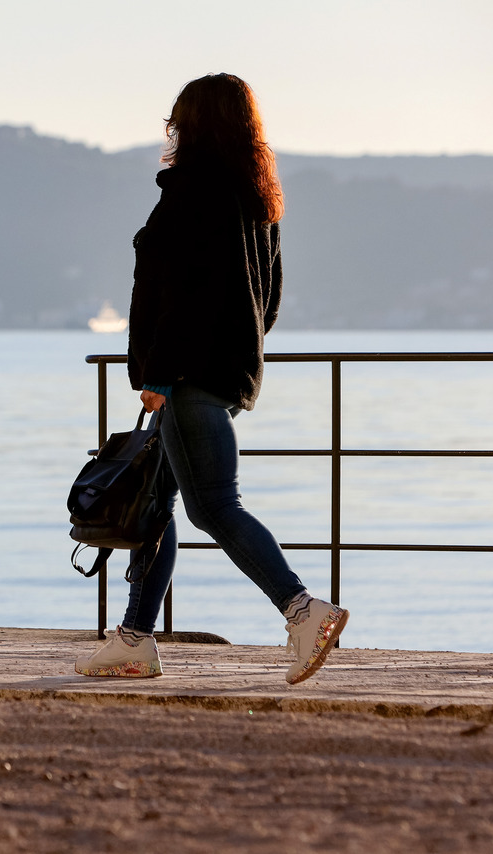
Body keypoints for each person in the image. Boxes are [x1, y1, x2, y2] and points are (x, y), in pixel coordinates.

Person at [75, 74, 349, 684]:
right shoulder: (257, 200)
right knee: (157, 503)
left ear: (191, 126)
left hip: (185, 377)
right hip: (221, 373)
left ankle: (303, 610)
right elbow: (266, 304)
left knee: (214, 507)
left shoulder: (191, 192)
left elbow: (183, 296)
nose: (171, 133)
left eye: (175, 122)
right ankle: (135, 638)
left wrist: (163, 374)